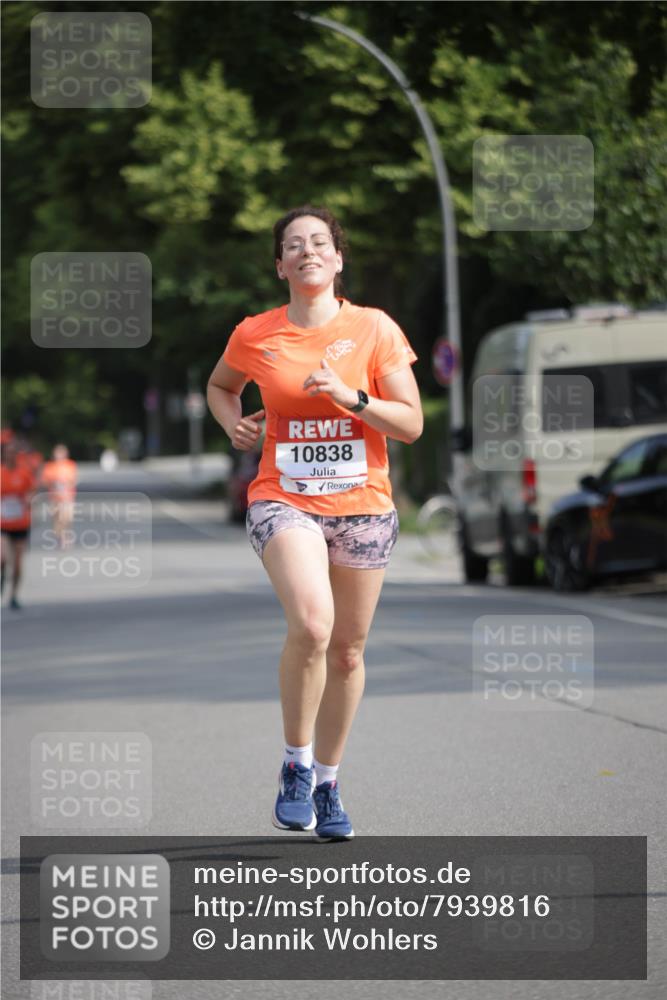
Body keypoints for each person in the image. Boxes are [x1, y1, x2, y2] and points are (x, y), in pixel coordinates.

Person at [207, 206, 422, 840]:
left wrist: (352, 398)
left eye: (320, 242)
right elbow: (220, 387)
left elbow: (411, 423)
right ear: (280, 265)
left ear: (337, 258)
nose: (308, 251)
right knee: (312, 623)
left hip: (364, 505)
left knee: (348, 652)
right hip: (284, 498)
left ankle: (328, 783)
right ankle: (296, 765)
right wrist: (234, 424)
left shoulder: (374, 329)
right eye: (294, 244)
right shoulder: (256, 333)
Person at [1, 438, 36, 609]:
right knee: (2, 557)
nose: (11, 456)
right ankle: (2, 577)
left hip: (21, 524)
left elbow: (32, 491)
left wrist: (29, 498)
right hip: (3, 524)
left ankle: (13, 595)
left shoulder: (24, 473)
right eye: (8, 453)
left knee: (17, 565)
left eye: (13, 453)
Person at [41, 444, 78, 549]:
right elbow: (44, 481)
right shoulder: (49, 467)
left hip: (67, 496)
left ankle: (66, 536)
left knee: (67, 517)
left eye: (61, 453)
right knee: (57, 519)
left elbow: (74, 479)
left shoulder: (70, 465)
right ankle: (60, 537)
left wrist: (67, 484)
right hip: (55, 497)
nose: (59, 455)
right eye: (57, 453)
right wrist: (53, 484)